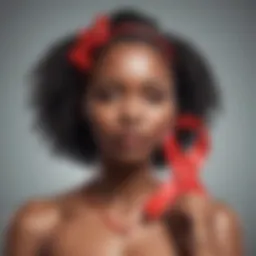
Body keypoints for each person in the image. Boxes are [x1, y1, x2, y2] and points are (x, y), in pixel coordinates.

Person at [4, 8, 243, 256]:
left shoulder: (215, 222)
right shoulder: (39, 224)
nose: (131, 114)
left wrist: (201, 240)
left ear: (178, 111)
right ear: (81, 106)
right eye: (108, 95)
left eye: (153, 97)